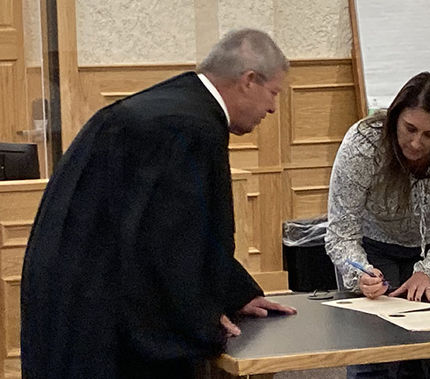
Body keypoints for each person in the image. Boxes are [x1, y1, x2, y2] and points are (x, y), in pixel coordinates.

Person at [20, 28, 296, 379]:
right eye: (273, 93)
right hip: (101, 312)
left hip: (72, 288)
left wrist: (235, 292)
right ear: (249, 80)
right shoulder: (189, 126)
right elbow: (169, 241)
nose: (273, 108)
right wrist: (203, 321)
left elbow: (185, 227)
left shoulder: (173, 107)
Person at [326, 72, 430, 378]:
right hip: (371, 250)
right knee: (373, 355)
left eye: (429, 135)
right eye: (409, 129)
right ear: (395, 116)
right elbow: (340, 232)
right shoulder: (363, 143)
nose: (415, 142)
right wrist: (361, 273)